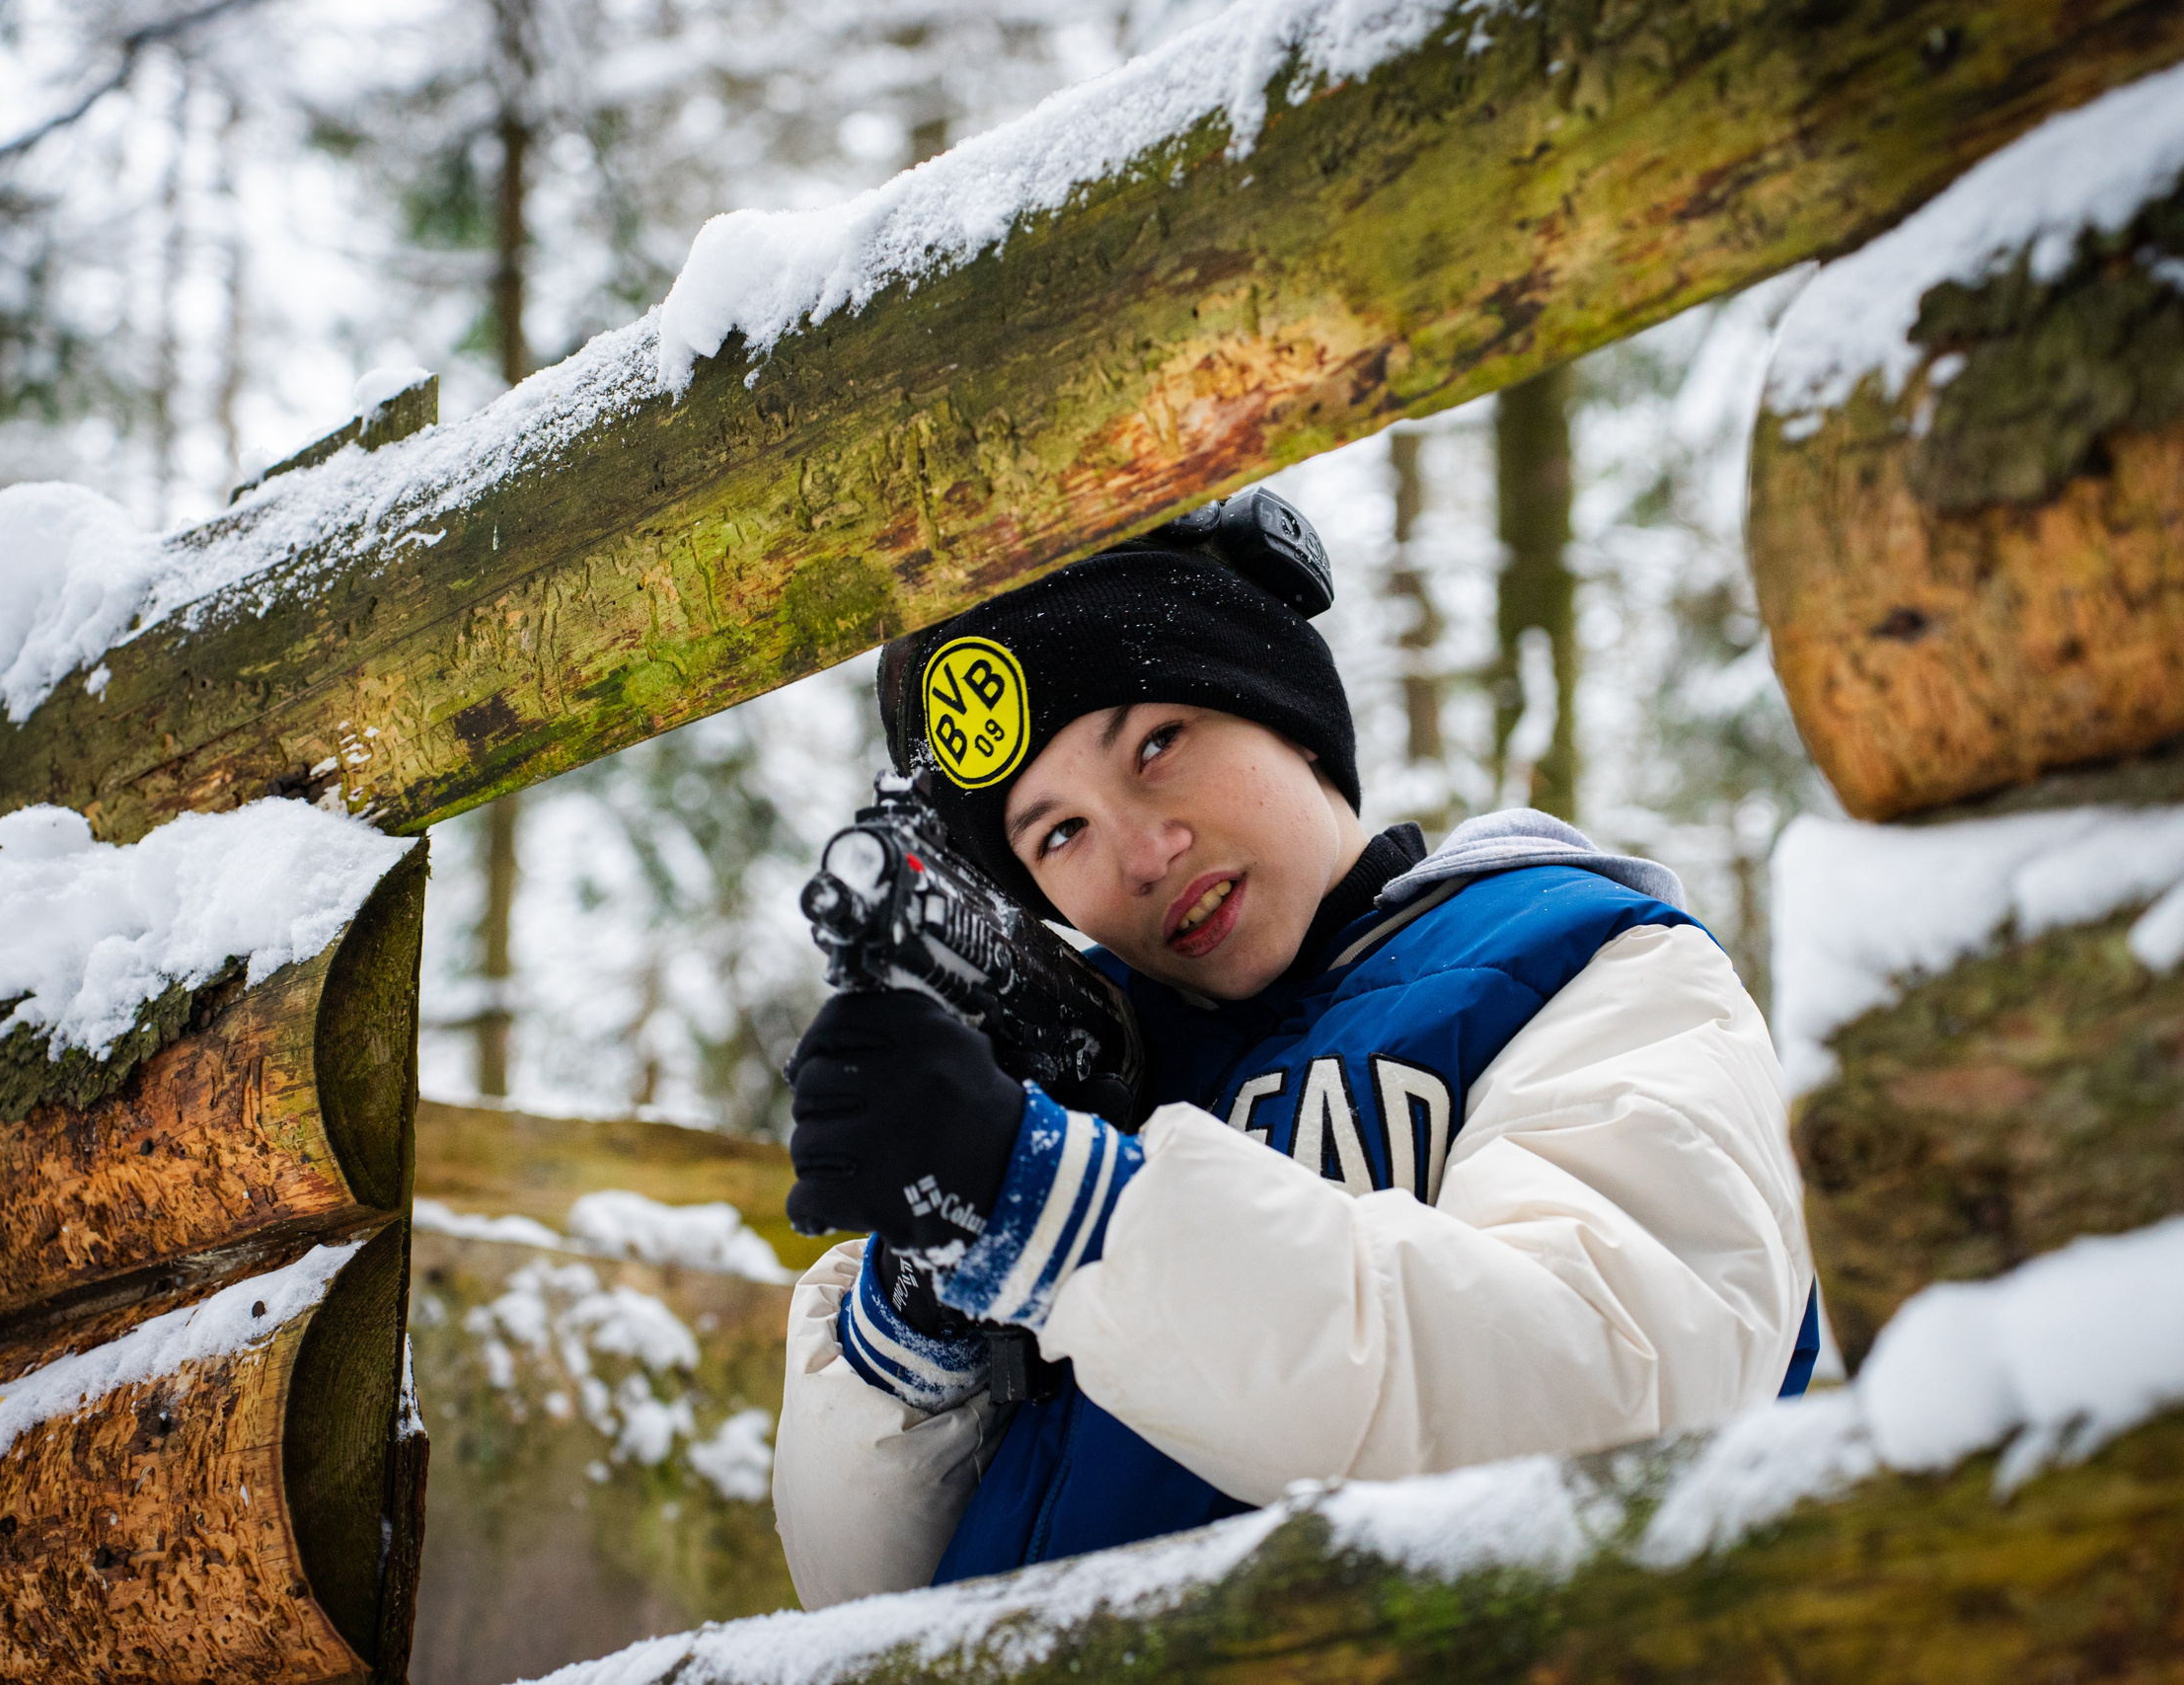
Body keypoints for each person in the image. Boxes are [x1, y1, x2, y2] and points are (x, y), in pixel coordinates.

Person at [771, 504, 1815, 1607]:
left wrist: (1056, 1210)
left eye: (1157, 746)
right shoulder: (1054, 1089)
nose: (1140, 854)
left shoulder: (1590, 966)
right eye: (1056, 833)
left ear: (1290, 718)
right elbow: (860, 1602)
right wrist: (923, 1308)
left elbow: (1612, 1413)